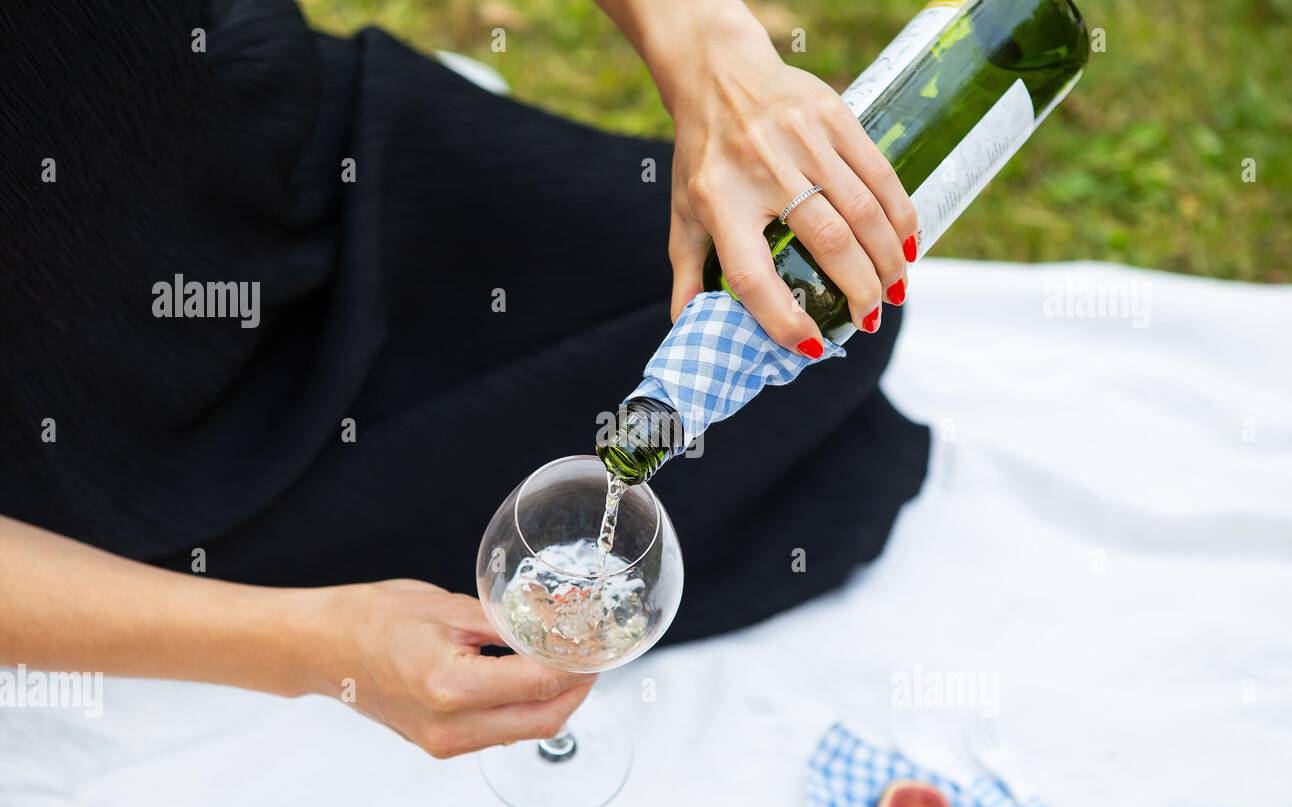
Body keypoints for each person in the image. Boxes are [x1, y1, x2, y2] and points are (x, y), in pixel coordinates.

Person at [0, 0, 929, 758]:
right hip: (139, 432)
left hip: (289, 155)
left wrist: (704, 46)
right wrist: (316, 647)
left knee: (829, 301)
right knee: (817, 447)